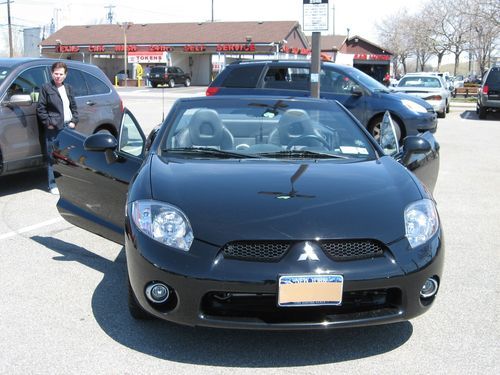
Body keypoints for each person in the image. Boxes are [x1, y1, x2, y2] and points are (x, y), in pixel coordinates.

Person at [36, 61, 78, 195]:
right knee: (52, 157)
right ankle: (52, 184)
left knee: (69, 157)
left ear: (65, 75)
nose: (58, 76)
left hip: (68, 127)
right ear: (51, 73)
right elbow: (40, 108)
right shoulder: (46, 88)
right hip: (54, 128)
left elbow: (74, 107)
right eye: (56, 73)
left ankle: (69, 184)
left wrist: (74, 121)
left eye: (61, 74)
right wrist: (48, 123)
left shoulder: (69, 88)